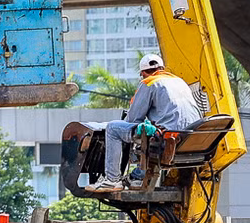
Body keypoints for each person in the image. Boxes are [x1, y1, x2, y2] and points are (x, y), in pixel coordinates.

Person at [85, 54, 201, 193]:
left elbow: (133, 119)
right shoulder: (179, 81)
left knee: (113, 128)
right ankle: (138, 176)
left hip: (170, 139)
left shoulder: (149, 82)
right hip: (192, 139)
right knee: (148, 132)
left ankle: (112, 180)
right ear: (162, 68)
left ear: (144, 73)